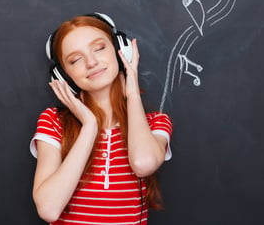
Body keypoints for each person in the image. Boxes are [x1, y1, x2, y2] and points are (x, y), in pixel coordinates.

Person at [30, 12, 173, 224]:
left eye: (99, 48)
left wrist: (132, 92)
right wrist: (89, 126)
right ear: (63, 76)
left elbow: (143, 163)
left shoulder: (155, 123)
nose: (91, 62)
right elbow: (49, 209)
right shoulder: (53, 122)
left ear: (120, 49)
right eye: (75, 59)